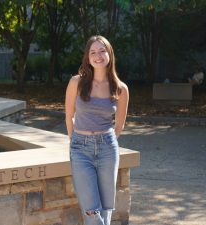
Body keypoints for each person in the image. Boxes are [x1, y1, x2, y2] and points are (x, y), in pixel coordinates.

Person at [65, 35, 129, 225]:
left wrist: (108, 140)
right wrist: (74, 139)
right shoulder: (76, 83)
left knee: (106, 209)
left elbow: (120, 124)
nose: (98, 55)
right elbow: (69, 116)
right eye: (93, 52)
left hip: (107, 149)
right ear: (87, 57)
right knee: (91, 211)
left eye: (102, 51)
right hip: (80, 149)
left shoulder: (120, 89)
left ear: (109, 54)